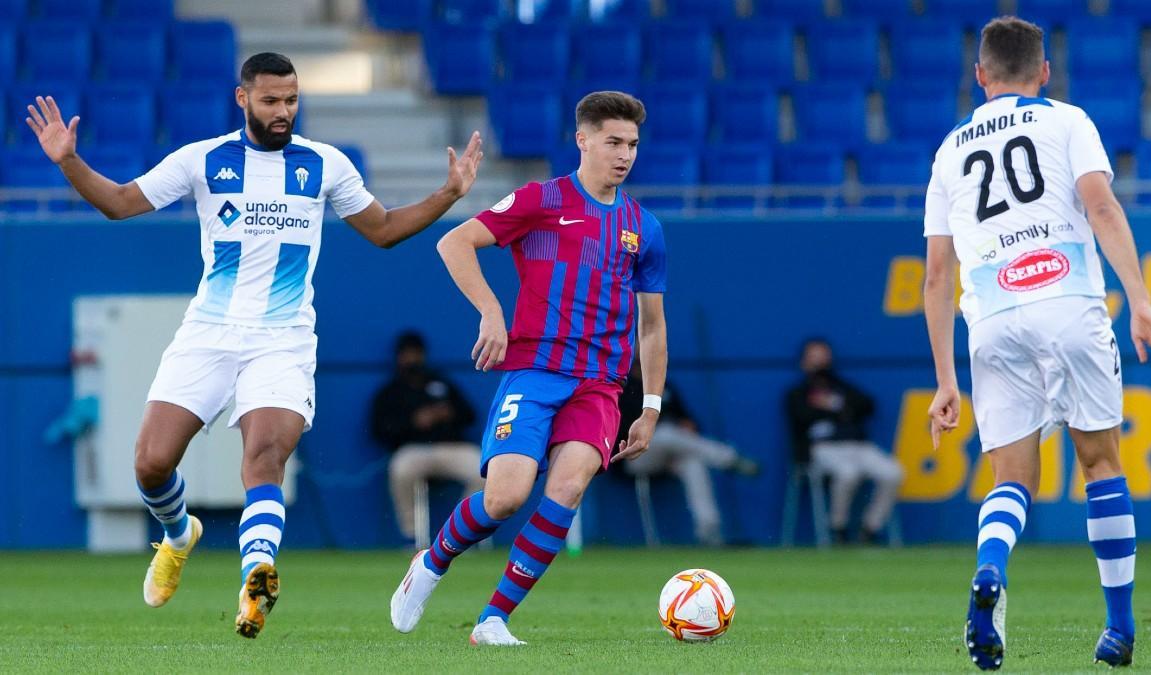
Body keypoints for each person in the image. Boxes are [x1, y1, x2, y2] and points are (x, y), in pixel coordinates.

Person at [23, 52, 483, 638]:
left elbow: (385, 230)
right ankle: (177, 533)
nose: (284, 111)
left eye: (291, 100)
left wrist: (448, 194)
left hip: (284, 339)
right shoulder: (203, 159)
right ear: (243, 99)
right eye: (271, 100)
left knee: (264, 454)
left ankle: (257, 575)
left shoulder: (325, 164)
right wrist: (69, 163)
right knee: (150, 462)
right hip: (209, 334)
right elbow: (118, 203)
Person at [923, 17, 1151, 670]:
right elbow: (1102, 208)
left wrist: (946, 380)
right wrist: (1142, 300)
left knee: (1011, 476)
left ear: (980, 77)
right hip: (1067, 302)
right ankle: (1118, 630)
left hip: (992, 318)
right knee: (1101, 461)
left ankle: (991, 567)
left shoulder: (950, 150)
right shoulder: (1066, 121)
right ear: (1044, 72)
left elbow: (936, 275)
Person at [389, 90, 668, 646]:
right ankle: (432, 562)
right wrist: (491, 310)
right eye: (613, 141)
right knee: (505, 497)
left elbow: (653, 326)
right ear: (582, 140)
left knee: (567, 487)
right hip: (537, 372)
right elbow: (454, 241)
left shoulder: (645, 228)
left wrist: (651, 405)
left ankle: (493, 620)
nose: (624, 154)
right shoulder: (541, 200)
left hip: (601, 386)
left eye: (632, 143)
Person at [618, 361, 757, 545]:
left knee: (694, 464)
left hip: (672, 453)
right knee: (666, 433)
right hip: (633, 456)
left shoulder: (663, 385)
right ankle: (728, 457)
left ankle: (710, 534)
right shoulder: (622, 387)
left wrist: (688, 425)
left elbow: (688, 421)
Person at [785, 338, 902, 545]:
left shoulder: (840, 387)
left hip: (857, 445)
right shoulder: (797, 393)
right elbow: (801, 416)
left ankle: (870, 527)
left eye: (823, 357)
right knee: (848, 473)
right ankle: (838, 528)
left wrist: (835, 403)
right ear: (804, 361)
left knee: (893, 472)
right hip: (824, 448)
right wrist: (828, 409)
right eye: (815, 358)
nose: (820, 363)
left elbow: (867, 405)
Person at [371, 331, 484, 543]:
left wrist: (448, 413)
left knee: (484, 469)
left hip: (452, 447)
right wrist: (413, 422)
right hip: (414, 450)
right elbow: (379, 430)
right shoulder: (391, 391)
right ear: (399, 357)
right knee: (400, 468)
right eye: (407, 354)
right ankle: (412, 537)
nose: (412, 359)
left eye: (416, 353)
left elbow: (470, 415)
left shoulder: (441, 383)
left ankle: (462, 532)